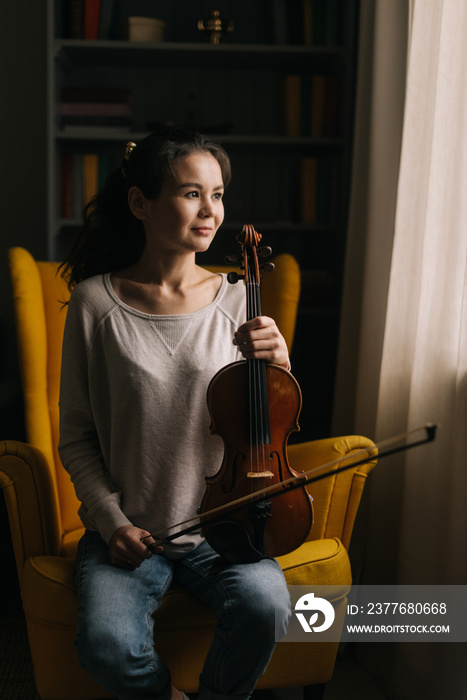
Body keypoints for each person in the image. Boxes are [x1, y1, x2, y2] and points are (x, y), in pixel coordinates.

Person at [58, 126, 292, 700]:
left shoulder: (241, 299)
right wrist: (112, 523)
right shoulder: (94, 304)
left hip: (227, 528)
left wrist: (281, 362)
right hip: (131, 531)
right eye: (191, 193)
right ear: (141, 202)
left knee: (267, 605)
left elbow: (270, 424)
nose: (210, 211)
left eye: (217, 194)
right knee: (106, 646)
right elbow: (77, 438)